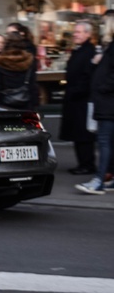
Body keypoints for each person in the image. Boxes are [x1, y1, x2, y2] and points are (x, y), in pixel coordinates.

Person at [76, 10, 114, 194]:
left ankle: (99, 181)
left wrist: (102, 88)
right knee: (109, 142)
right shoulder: (109, 47)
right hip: (106, 101)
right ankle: (110, 179)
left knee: (104, 141)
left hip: (108, 103)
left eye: (105, 23)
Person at [60, 21, 97, 175]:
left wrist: (75, 91)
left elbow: (87, 77)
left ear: (88, 34)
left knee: (83, 134)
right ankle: (83, 163)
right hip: (75, 98)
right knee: (78, 134)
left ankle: (87, 164)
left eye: (80, 31)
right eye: (75, 31)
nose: (76, 34)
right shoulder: (80, 50)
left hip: (82, 99)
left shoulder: (89, 51)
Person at [0, 32, 38, 110]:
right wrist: (35, 104)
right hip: (26, 103)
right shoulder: (30, 60)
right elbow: (33, 85)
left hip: (4, 104)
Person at [6, 22, 40, 109]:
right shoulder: (7, 52)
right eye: (7, 34)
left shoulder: (27, 52)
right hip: (24, 94)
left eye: (13, 33)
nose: (9, 36)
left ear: (21, 33)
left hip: (21, 94)